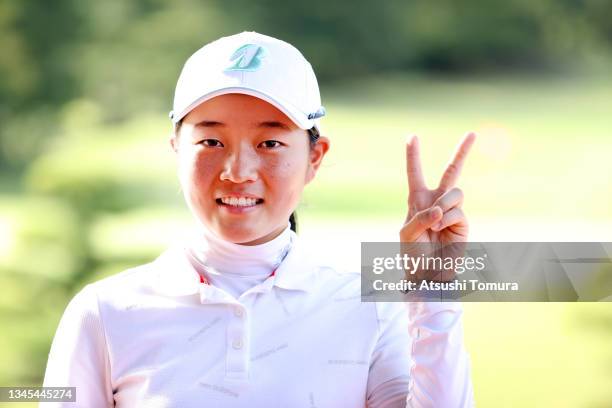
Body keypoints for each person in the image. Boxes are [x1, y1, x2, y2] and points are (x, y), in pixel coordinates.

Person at [41, 31, 475, 407]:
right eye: (211, 140)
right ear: (176, 149)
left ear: (315, 158)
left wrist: (433, 289)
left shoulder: (370, 310)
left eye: (269, 143)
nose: (238, 171)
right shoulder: (104, 313)